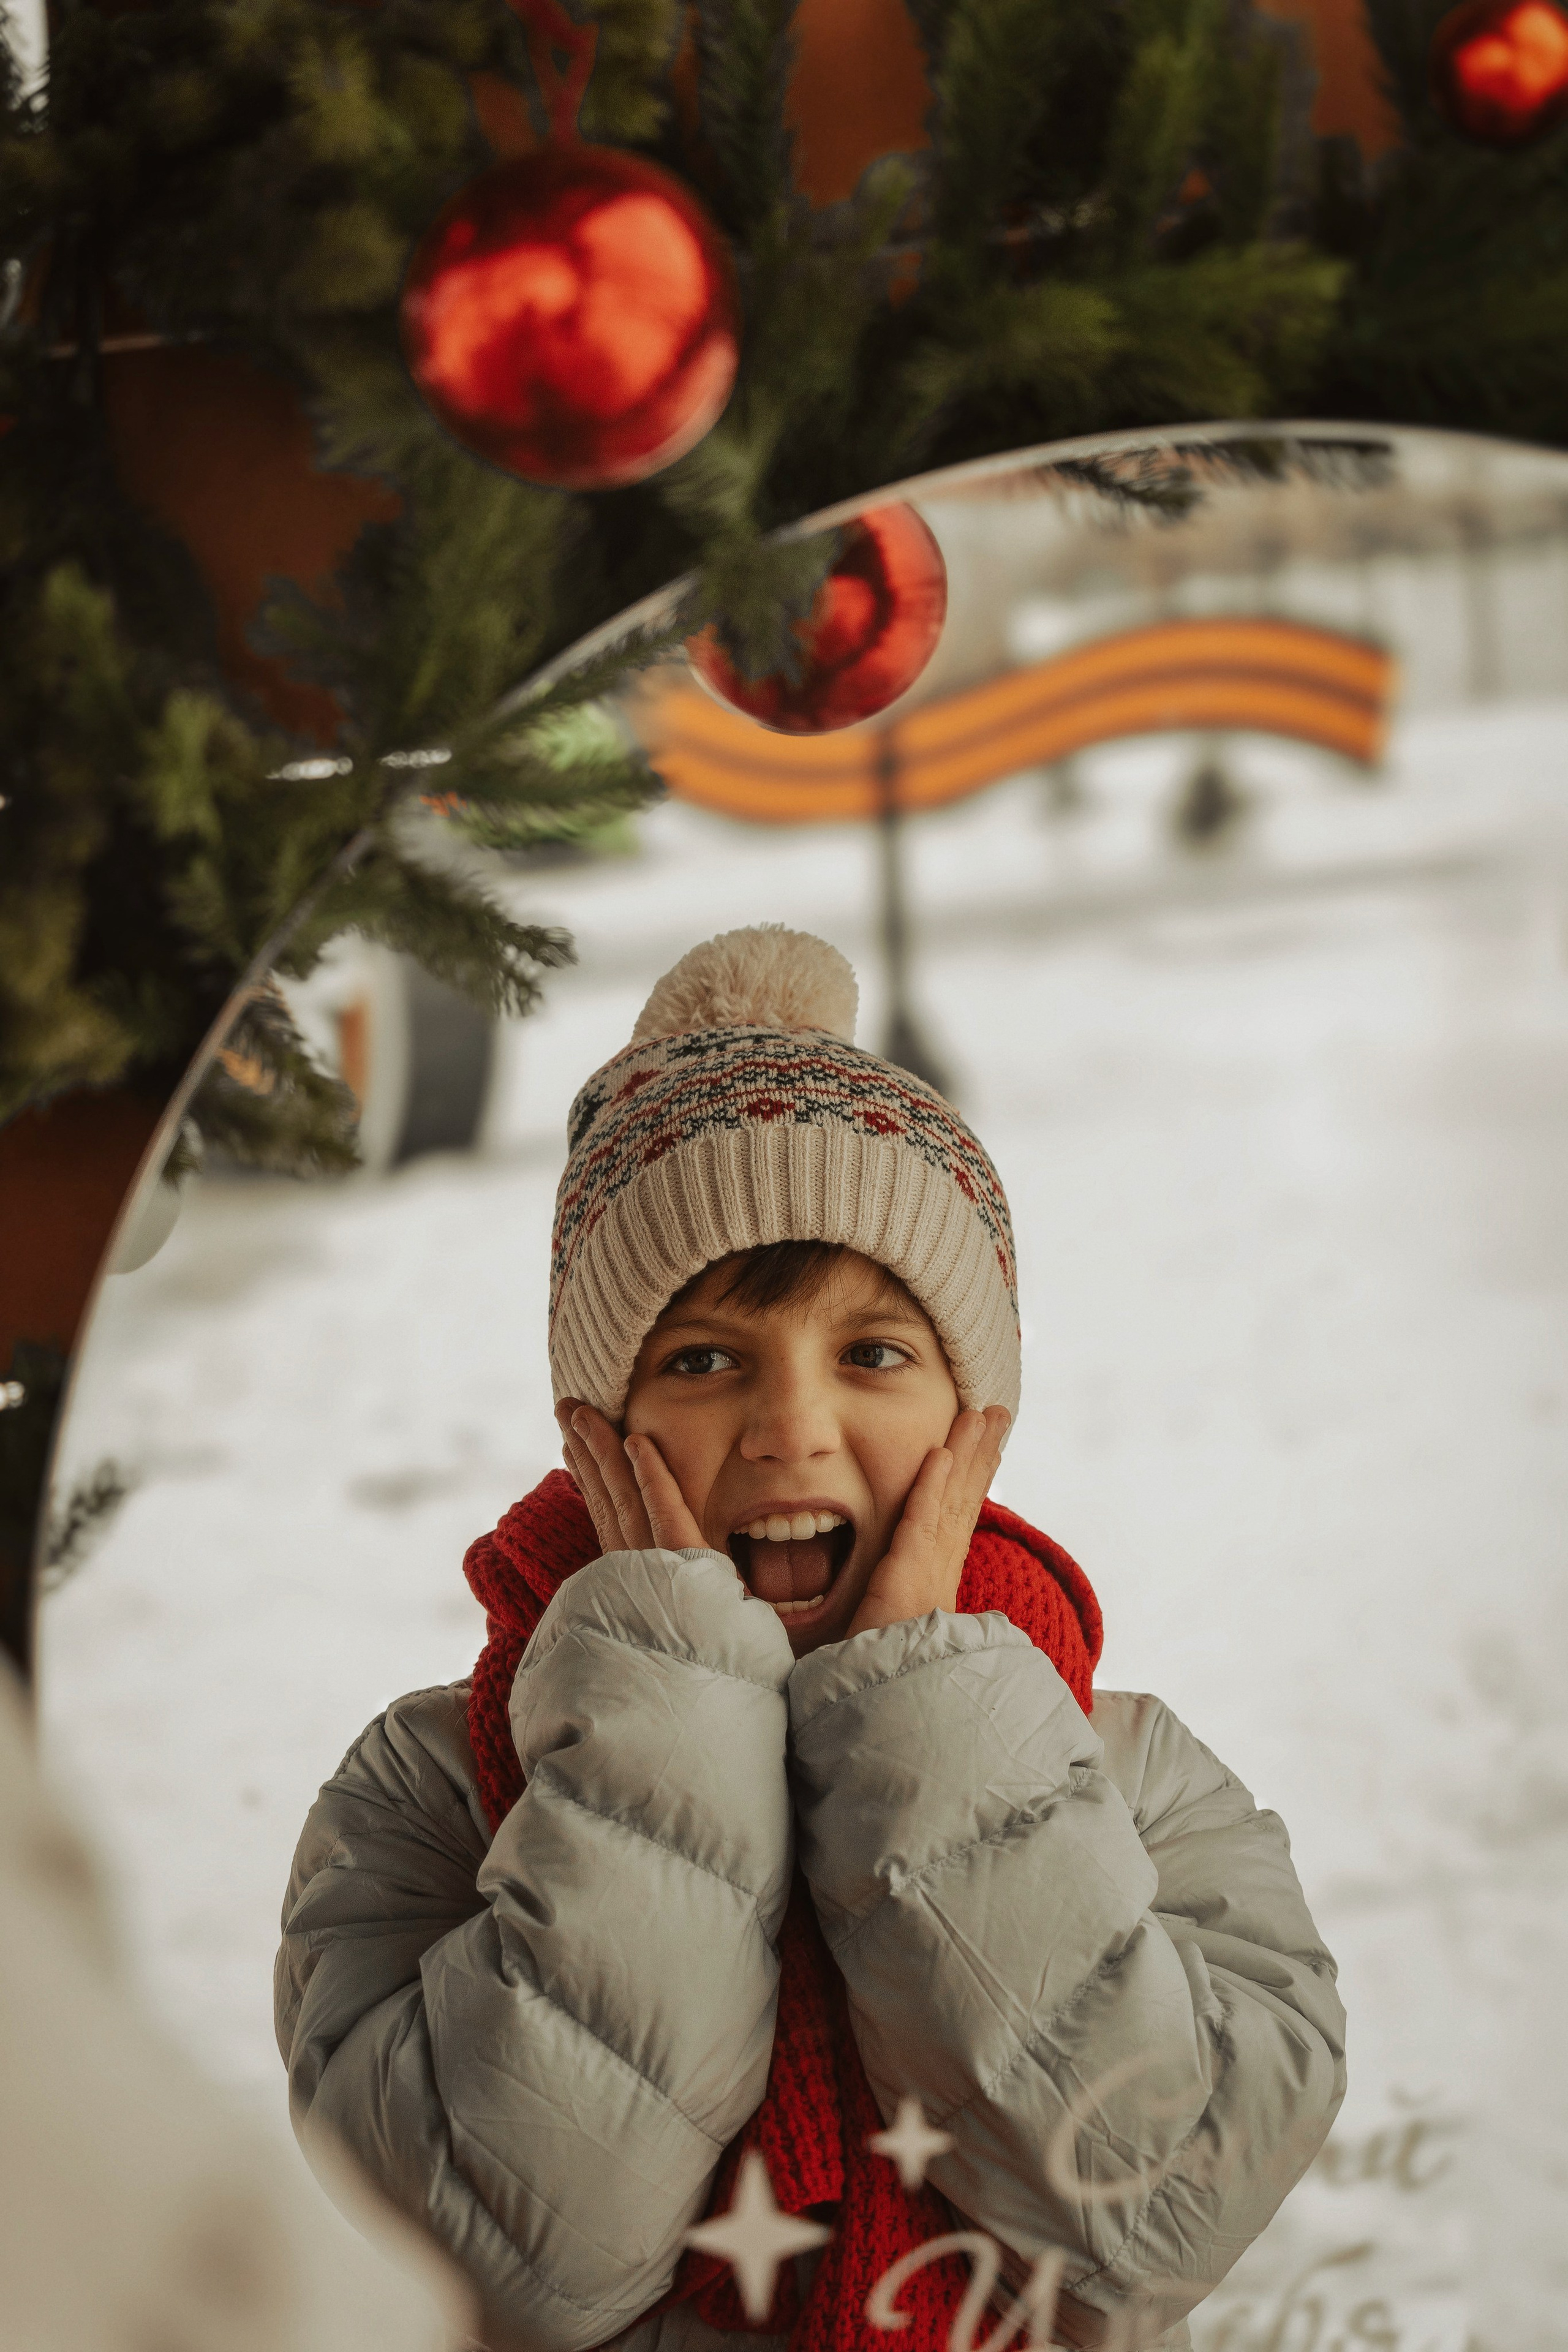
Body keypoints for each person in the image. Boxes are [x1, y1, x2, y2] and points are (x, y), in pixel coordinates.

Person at [276, 926, 1346, 2352]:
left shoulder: (1134, 1778)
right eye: (702, 1359)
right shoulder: (426, 1794)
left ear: (974, 1419)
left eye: (872, 1354)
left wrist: (925, 1721)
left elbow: (1144, 2216)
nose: (791, 1429)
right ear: (597, 1427)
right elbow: (525, 2255)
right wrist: (668, 1703)